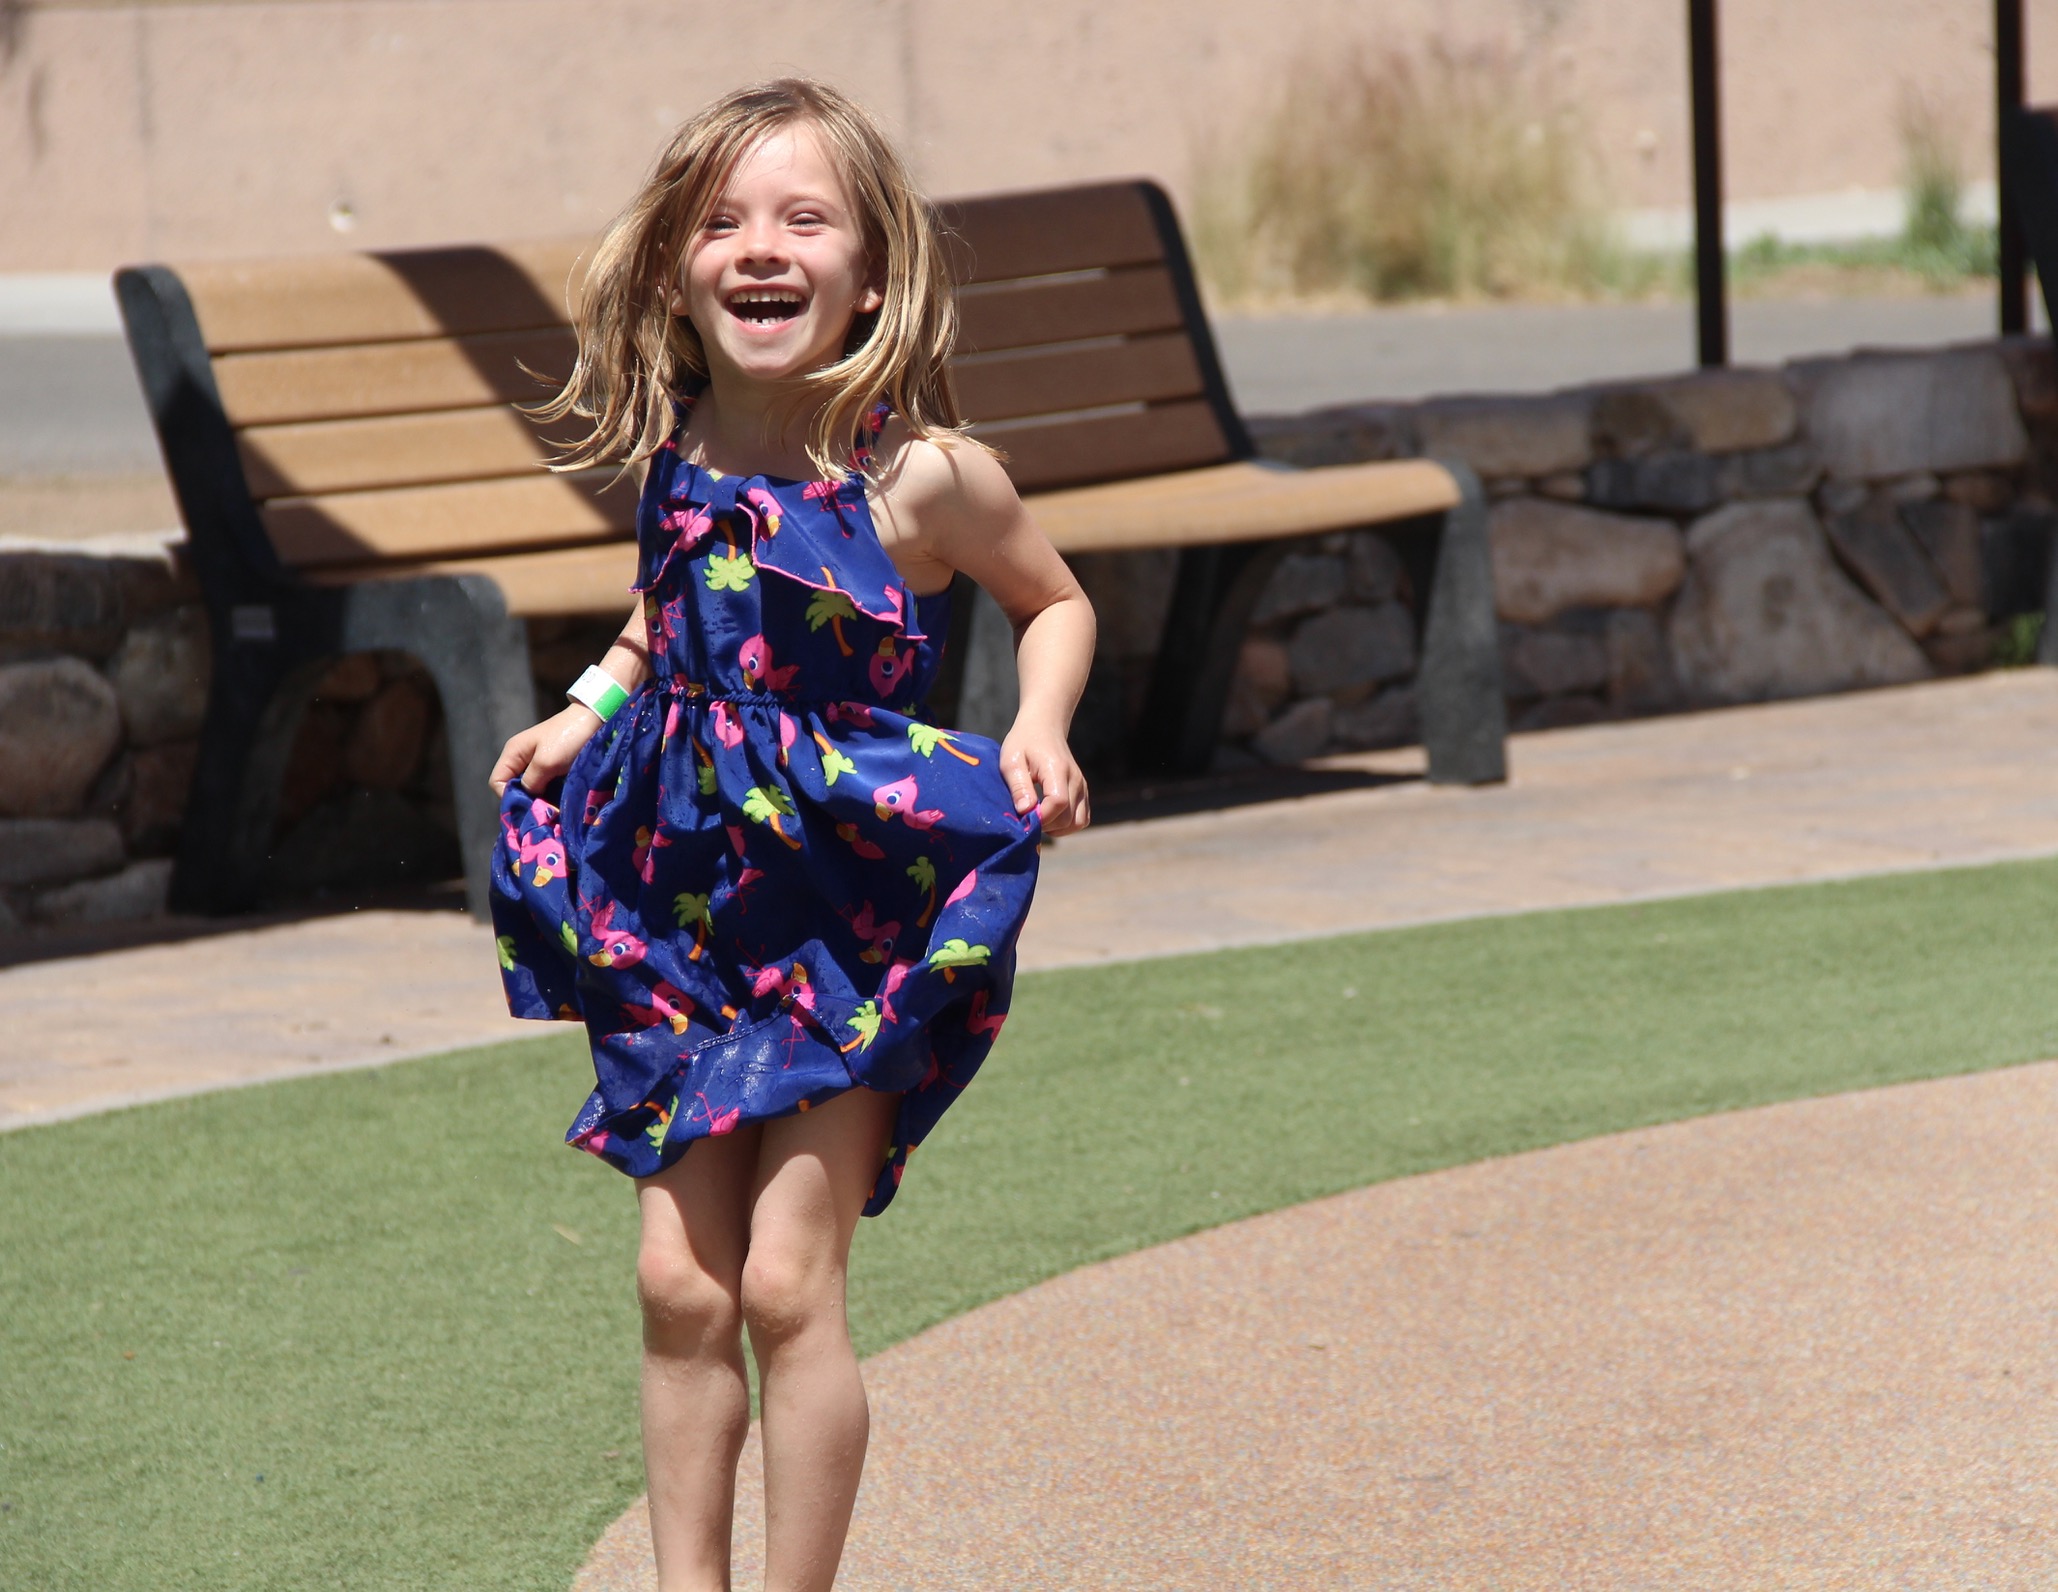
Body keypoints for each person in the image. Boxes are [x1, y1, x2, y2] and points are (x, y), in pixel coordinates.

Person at [486, 78, 1095, 1592]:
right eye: (724, 221)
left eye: (802, 219)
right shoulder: (680, 445)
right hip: (674, 889)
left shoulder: (922, 477)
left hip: (849, 907)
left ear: (870, 275)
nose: (761, 248)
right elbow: (676, 601)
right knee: (676, 1287)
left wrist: (1039, 726)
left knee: (780, 1285)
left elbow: (1056, 600)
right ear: (677, 271)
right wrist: (594, 698)